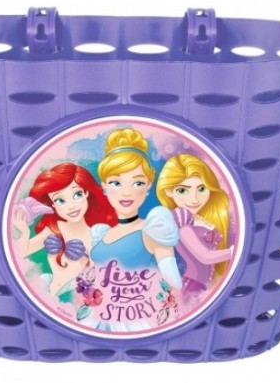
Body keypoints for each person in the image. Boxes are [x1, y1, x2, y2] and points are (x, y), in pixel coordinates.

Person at [87, 128, 182, 331]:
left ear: (148, 185)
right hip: (97, 321)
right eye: (116, 182)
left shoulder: (154, 228)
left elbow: (174, 285)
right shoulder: (100, 233)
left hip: (137, 322)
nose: (126, 192)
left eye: (137, 182)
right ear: (104, 186)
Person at [13, 162, 117, 301]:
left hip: (74, 297)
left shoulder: (97, 235)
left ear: (86, 192)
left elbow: (104, 277)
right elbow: (19, 253)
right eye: (60, 200)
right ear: (52, 204)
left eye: (77, 194)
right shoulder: (54, 228)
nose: (71, 206)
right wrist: (24, 232)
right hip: (49, 291)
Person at [156, 154, 232, 294]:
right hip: (193, 286)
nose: (194, 199)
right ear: (169, 191)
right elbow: (205, 256)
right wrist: (233, 252)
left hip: (206, 284)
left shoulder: (201, 218)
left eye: (201, 189)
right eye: (183, 191)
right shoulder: (182, 222)